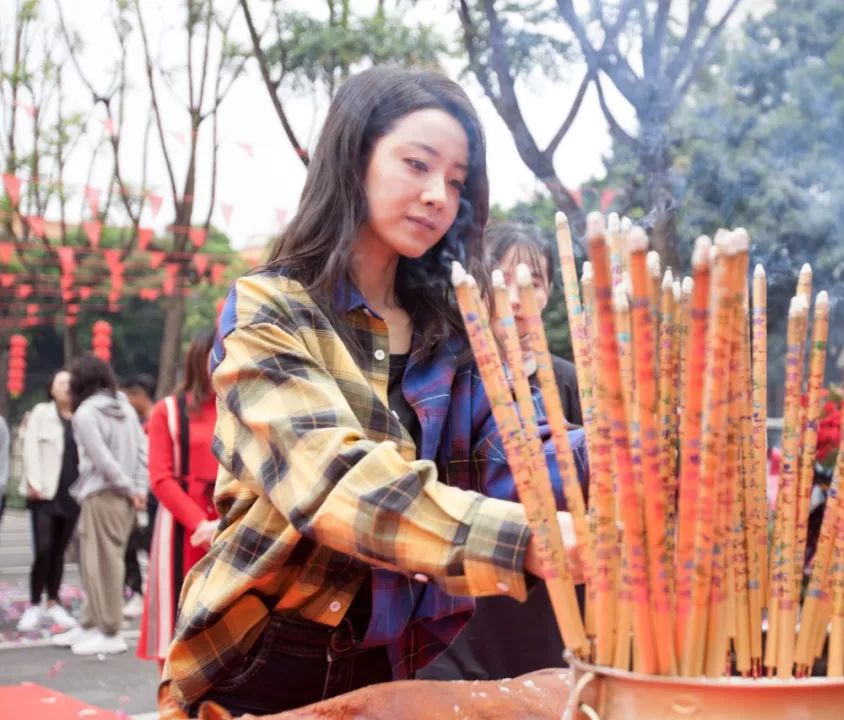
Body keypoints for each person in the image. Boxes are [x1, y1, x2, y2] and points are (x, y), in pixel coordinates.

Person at [162, 65, 585, 717]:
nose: (437, 195)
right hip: (260, 657)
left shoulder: (447, 333)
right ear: (353, 157)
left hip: (391, 658)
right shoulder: (270, 311)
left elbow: (514, 463)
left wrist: (637, 451)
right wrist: (536, 541)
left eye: (454, 180)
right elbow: (337, 487)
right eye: (417, 164)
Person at [419, 222, 583, 680]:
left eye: (534, 281)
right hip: (465, 595)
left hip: (552, 597)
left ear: (550, 291)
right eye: (502, 279)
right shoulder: (447, 375)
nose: (517, 296)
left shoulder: (570, 381)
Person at [52, 356, 148, 656]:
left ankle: (110, 629)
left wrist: (129, 486)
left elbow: (101, 459)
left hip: (102, 493)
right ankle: (91, 622)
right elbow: (143, 451)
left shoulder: (86, 414)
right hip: (122, 494)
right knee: (97, 560)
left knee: (102, 563)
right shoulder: (125, 408)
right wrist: (137, 488)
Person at [138, 330, 219, 667]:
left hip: (231, 520)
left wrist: (223, 523)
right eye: (218, 352)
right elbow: (160, 477)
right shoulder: (167, 411)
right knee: (175, 618)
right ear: (199, 358)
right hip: (182, 527)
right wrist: (200, 523)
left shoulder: (241, 408)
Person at [16, 370, 81, 633]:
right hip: (43, 491)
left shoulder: (81, 416)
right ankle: (34, 603)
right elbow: (30, 447)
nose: (66, 387)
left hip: (71, 492)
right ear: (51, 389)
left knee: (59, 550)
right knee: (43, 548)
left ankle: (53, 601)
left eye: (69, 383)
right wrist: (33, 481)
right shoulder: (41, 413)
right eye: (60, 382)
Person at [119, 373, 158, 620]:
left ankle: (145, 593)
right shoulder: (137, 422)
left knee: (147, 546)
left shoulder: (157, 421)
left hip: (153, 494)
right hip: (138, 492)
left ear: (139, 396)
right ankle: (137, 593)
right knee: (132, 544)